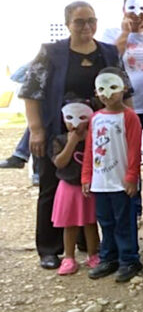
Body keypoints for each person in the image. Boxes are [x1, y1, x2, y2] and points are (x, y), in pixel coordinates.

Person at [19, 1, 124, 269]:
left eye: (91, 20)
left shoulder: (109, 53)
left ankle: (88, 245)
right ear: (68, 24)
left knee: (90, 188)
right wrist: (37, 129)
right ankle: (50, 248)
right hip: (58, 133)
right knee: (52, 186)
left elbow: (127, 90)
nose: (86, 27)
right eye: (79, 22)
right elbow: (31, 91)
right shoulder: (51, 53)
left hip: (99, 135)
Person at [81, 68, 142, 282]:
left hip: (120, 183)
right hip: (100, 183)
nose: (108, 94)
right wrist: (86, 177)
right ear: (97, 92)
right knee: (105, 222)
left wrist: (132, 176)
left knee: (124, 221)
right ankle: (108, 258)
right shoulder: (96, 118)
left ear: (123, 89)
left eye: (113, 88)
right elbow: (90, 148)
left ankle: (129, 259)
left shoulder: (130, 117)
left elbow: (135, 149)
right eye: (102, 89)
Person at [101, 0, 143, 129]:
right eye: (131, 8)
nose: (137, 13)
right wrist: (125, 33)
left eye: (142, 9)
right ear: (123, 10)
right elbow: (110, 58)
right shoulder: (111, 33)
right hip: (126, 103)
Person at [51, 96, 99, 275]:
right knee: (69, 224)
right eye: (70, 117)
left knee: (90, 222)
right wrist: (72, 142)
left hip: (88, 187)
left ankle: (93, 254)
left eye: (82, 117)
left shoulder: (95, 138)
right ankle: (69, 257)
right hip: (68, 187)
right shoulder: (59, 140)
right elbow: (60, 162)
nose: (75, 123)